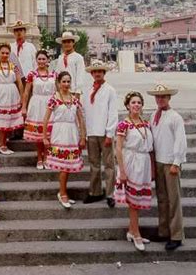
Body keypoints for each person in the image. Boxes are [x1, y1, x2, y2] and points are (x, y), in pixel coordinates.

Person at [147, 83, 187, 251]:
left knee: (173, 199)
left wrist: (176, 162)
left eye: (163, 96)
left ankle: (176, 235)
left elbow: (180, 140)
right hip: (159, 160)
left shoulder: (175, 117)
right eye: (158, 96)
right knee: (162, 198)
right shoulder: (153, 116)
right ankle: (163, 230)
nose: (160, 99)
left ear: (169, 98)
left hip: (170, 162)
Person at [114, 91, 154, 252]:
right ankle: (136, 233)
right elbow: (118, 148)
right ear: (127, 106)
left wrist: (151, 168)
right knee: (133, 201)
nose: (136, 105)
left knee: (137, 199)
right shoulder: (124, 125)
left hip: (143, 162)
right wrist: (122, 171)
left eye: (139, 102)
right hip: (130, 162)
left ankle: (131, 231)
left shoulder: (145, 124)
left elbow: (150, 148)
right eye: (133, 103)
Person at [42, 71, 86, 209]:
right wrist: (44, 136)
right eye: (64, 81)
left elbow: (80, 119)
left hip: (72, 133)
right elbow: (46, 119)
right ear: (58, 83)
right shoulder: (54, 99)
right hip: (59, 132)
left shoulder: (75, 99)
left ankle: (63, 191)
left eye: (68, 81)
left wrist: (83, 136)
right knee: (63, 166)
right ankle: (62, 193)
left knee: (68, 165)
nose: (66, 84)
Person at [81, 60, 118, 207]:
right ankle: (95, 192)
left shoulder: (109, 90)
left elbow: (112, 113)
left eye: (100, 72)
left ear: (104, 73)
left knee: (109, 165)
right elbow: (84, 112)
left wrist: (110, 133)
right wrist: (84, 133)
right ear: (91, 74)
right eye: (95, 72)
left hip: (104, 132)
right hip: (92, 132)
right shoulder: (88, 90)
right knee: (94, 164)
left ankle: (110, 193)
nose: (97, 74)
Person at [21, 50, 56, 169]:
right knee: (38, 133)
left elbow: (58, 91)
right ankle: (39, 158)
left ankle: (47, 157)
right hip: (36, 104)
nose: (41, 61)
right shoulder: (32, 74)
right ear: (36, 61)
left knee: (48, 133)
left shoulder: (54, 74)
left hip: (50, 104)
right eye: (39, 59)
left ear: (47, 60)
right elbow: (26, 92)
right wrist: (24, 107)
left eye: (43, 59)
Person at [0, 43, 24, 155]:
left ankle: (4, 143)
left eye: (7, 53)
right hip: (0, 93)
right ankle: (1, 144)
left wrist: (22, 97)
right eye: (2, 52)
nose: (4, 55)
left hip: (12, 92)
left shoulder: (13, 66)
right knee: (2, 119)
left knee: (9, 120)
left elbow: (19, 82)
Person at [55, 31, 86, 97]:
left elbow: (80, 75)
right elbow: (57, 74)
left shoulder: (78, 57)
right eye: (64, 42)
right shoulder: (60, 57)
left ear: (73, 43)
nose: (67, 44)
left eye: (69, 42)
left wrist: (78, 91)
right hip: (61, 91)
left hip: (73, 91)